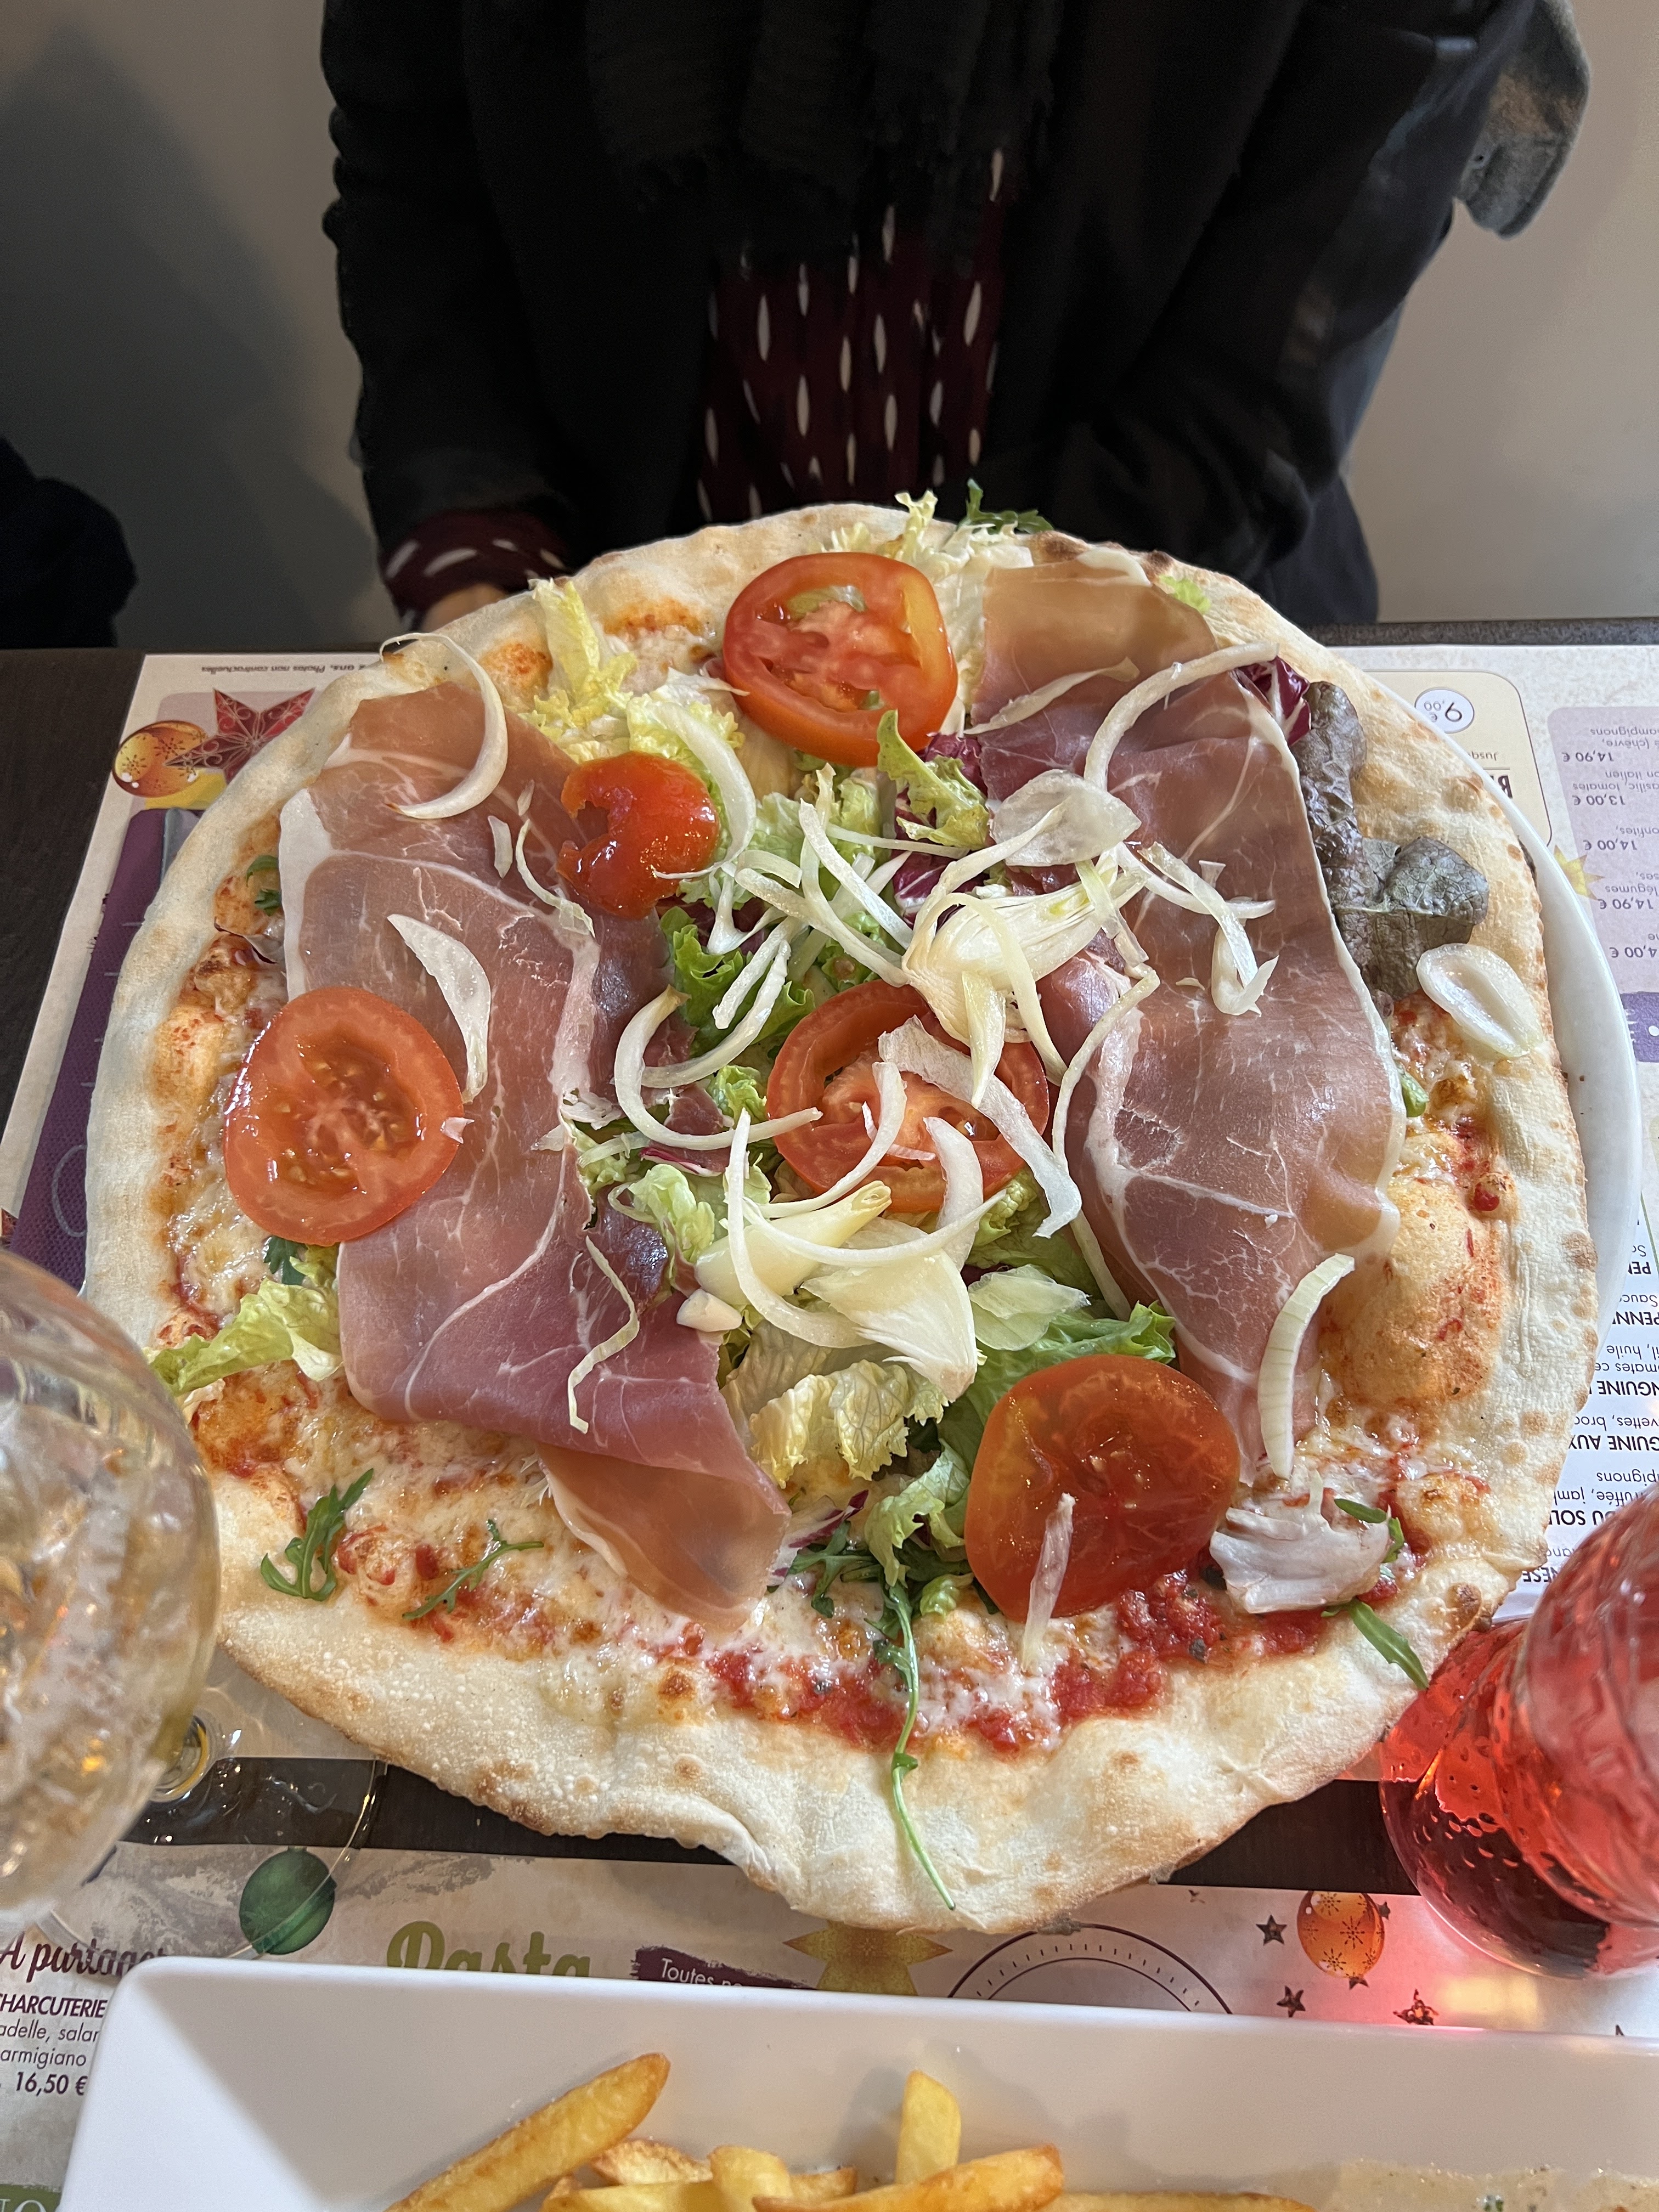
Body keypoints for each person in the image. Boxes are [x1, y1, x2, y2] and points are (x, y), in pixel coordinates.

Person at [319, 0, 1587, 635]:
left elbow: (1232, 431)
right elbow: (419, 183)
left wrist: (864, 659)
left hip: (1135, 627)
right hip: (624, 622)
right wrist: (479, 564)